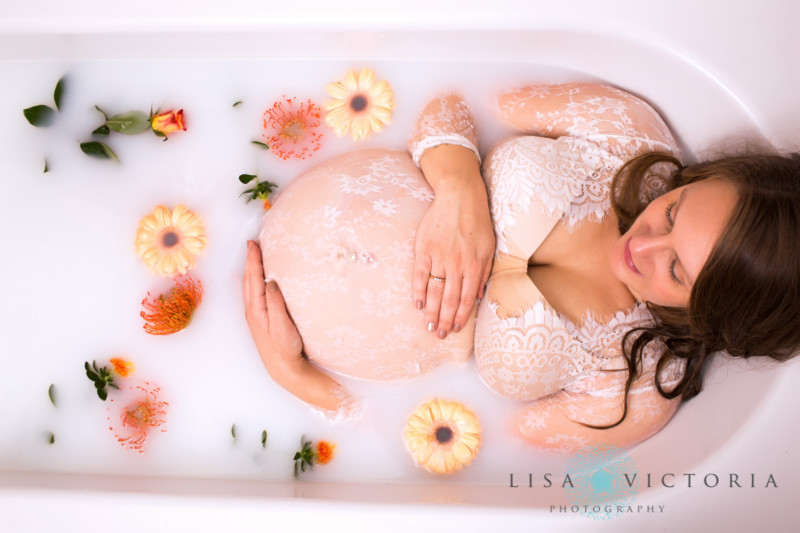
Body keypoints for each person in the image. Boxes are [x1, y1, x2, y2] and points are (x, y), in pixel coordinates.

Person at [244, 83, 800, 450]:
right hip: (258, 180)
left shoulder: (634, 398)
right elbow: (458, 99)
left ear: (709, 317)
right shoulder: (626, 133)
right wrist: (460, 185)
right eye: (672, 212)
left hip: (277, 360)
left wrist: (294, 380)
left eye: (677, 271)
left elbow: (453, 438)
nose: (643, 246)